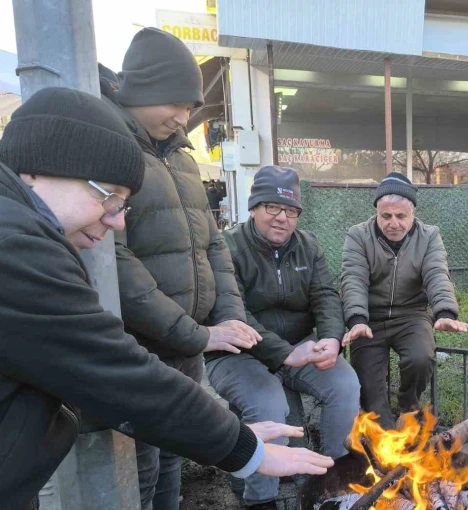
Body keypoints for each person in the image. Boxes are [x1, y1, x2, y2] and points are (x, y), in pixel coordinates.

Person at [0, 87, 333, 510]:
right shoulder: (16, 248)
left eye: (123, 204)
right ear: (35, 170)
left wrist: (234, 432)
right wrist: (245, 448)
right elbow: (117, 373)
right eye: (109, 196)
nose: (118, 222)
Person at [101, 27, 261, 509]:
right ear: (144, 88)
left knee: (174, 457)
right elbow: (113, 259)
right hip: (140, 346)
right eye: (177, 103)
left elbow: (213, 246)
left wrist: (227, 316)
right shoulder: (110, 146)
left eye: (191, 107)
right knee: (138, 471)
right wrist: (195, 334)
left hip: (187, 347)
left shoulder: (185, 160)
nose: (185, 117)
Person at [206, 166, 361, 509]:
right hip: (236, 353)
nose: (282, 218)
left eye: (291, 211)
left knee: (346, 386)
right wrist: (282, 354)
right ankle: (261, 499)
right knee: (269, 405)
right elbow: (231, 313)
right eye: (272, 208)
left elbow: (326, 296)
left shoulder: (308, 246)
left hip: (299, 348)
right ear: (253, 208)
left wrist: (332, 339)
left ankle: (335, 483)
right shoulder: (225, 247)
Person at [340, 172, 468, 429]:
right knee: (369, 391)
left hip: (411, 314)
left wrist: (445, 312)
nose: (393, 223)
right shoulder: (358, 235)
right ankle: (387, 439)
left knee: (421, 356)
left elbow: (436, 273)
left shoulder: (429, 236)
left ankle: (409, 408)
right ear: (377, 212)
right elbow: (353, 278)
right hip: (370, 319)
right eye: (386, 216)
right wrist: (356, 319)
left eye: (401, 216)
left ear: (413, 214)